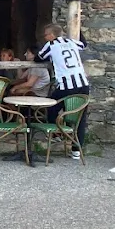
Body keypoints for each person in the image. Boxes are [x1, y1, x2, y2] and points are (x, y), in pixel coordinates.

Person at [38, 23, 90, 160]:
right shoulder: (71, 42)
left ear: (51, 35)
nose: (44, 38)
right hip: (83, 84)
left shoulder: (51, 45)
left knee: (51, 107)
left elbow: (39, 57)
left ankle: (56, 134)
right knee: (80, 117)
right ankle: (76, 150)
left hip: (66, 85)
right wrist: (78, 27)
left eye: (45, 35)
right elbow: (84, 44)